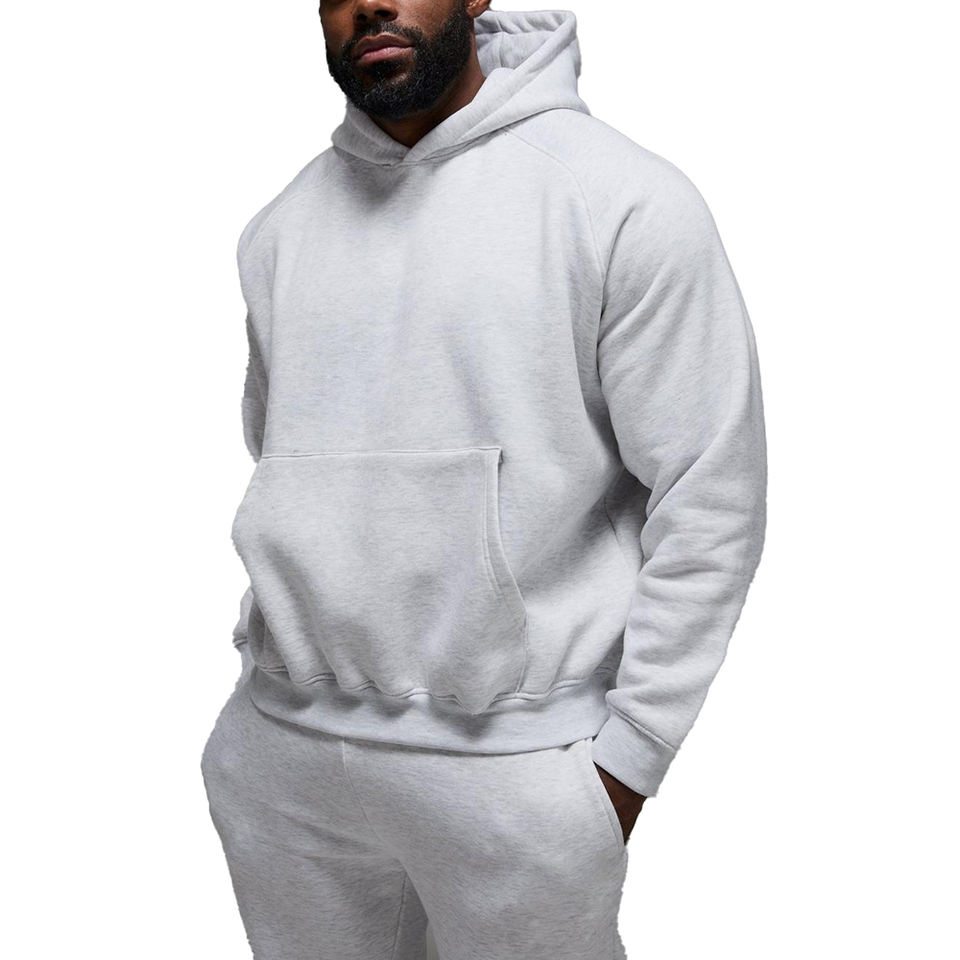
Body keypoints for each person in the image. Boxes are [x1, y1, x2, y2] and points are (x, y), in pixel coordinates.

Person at [200, 3, 768, 958]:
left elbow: (712, 498)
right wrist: (249, 741)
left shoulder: (618, 198)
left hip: (516, 767)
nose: (371, 4)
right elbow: (282, 457)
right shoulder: (280, 228)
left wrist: (628, 761)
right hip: (281, 757)